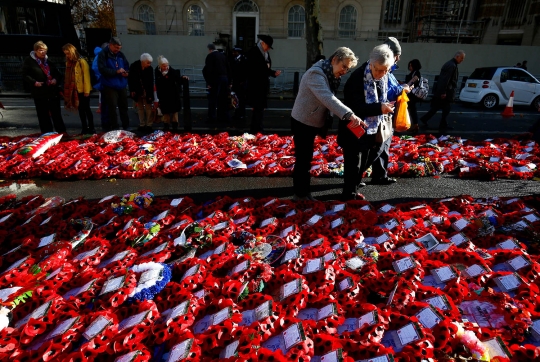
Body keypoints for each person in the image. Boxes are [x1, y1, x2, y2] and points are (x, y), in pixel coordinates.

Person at [291, 47, 365, 201]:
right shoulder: (316, 74)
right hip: (302, 121)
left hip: (310, 121)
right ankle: (300, 195)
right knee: (303, 160)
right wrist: (350, 115)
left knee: (306, 159)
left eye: (347, 69)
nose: (344, 71)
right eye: (343, 66)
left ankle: (304, 194)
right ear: (334, 60)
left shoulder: (329, 73)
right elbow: (327, 98)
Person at [338, 44, 395, 200]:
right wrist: (379, 108)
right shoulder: (357, 78)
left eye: (385, 70)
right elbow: (355, 107)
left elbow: (383, 97)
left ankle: (353, 189)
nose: (381, 74)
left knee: (364, 162)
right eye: (378, 69)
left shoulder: (383, 77)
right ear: (371, 63)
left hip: (372, 129)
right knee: (353, 164)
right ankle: (349, 195)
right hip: (354, 129)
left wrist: (385, 106)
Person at [369, 37, 411, 185]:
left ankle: (379, 174)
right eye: (396, 55)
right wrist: (402, 88)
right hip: (379, 113)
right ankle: (360, 175)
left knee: (383, 146)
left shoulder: (387, 69)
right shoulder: (382, 68)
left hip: (384, 112)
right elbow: (389, 92)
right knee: (378, 147)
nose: (398, 58)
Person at [22, 41, 66, 134]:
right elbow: (25, 75)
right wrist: (34, 82)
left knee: (56, 113)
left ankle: (61, 132)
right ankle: (47, 133)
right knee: (43, 114)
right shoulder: (29, 61)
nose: (43, 52)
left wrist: (55, 79)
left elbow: (58, 74)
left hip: (52, 91)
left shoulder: (48, 61)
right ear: (35, 51)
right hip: (39, 92)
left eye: (45, 50)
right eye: (41, 50)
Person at [420, 50, 465, 131]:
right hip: (446, 92)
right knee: (446, 109)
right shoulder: (452, 65)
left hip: (443, 91)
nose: (462, 60)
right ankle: (441, 124)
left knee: (437, 108)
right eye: (461, 58)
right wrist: (444, 92)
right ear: (457, 56)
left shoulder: (450, 64)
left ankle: (426, 119)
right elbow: (446, 79)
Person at [245, 34, 282, 133]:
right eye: (268, 46)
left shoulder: (265, 54)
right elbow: (257, 69)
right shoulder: (253, 52)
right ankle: (256, 129)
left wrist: (273, 73)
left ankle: (257, 128)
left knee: (260, 109)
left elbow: (266, 68)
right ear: (263, 43)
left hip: (262, 85)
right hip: (256, 85)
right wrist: (270, 72)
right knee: (257, 109)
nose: (269, 49)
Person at [98, 37, 130, 130]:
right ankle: (115, 127)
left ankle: (126, 126)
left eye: (119, 48)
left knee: (124, 107)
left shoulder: (120, 55)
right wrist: (116, 72)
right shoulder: (103, 54)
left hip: (122, 84)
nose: (118, 50)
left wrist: (127, 73)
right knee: (112, 108)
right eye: (116, 47)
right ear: (110, 45)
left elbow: (127, 66)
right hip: (110, 85)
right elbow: (102, 69)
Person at [62, 43, 94, 135]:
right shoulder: (69, 62)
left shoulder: (81, 61)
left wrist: (87, 91)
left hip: (83, 90)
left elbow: (86, 77)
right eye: (65, 54)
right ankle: (84, 128)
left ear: (72, 52)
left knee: (87, 109)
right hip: (75, 90)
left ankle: (91, 128)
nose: (67, 55)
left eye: (68, 53)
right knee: (81, 110)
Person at [154, 55, 188, 132]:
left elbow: (178, 80)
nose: (165, 68)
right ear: (160, 65)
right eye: (163, 66)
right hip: (164, 94)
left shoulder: (171, 72)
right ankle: (167, 124)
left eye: (166, 66)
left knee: (174, 111)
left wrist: (183, 78)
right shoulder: (158, 72)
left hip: (173, 94)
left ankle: (174, 124)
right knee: (166, 111)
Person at [202, 43, 231, 124]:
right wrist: (229, 81)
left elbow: (208, 70)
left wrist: (209, 82)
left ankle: (212, 117)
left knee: (213, 99)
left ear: (210, 49)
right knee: (223, 99)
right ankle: (223, 116)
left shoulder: (210, 56)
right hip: (224, 78)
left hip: (215, 79)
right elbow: (228, 68)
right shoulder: (223, 56)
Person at [128, 53, 155, 133]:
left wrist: (150, 93)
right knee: (140, 108)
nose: (149, 64)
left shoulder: (149, 69)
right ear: (142, 61)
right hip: (137, 90)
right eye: (148, 62)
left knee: (148, 108)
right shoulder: (134, 66)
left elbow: (150, 82)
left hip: (146, 90)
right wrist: (132, 90)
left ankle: (149, 124)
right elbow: (131, 79)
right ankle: (142, 124)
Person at [92, 43, 110, 131]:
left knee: (107, 105)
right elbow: (98, 70)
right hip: (104, 83)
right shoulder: (100, 57)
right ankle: (106, 126)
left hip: (104, 83)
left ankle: (106, 125)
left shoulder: (99, 56)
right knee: (106, 106)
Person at [405, 59, 422, 133]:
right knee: (412, 110)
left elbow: (412, 82)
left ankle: (414, 125)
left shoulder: (416, 73)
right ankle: (414, 125)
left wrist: (405, 85)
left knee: (412, 110)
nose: (410, 67)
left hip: (412, 94)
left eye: (411, 65)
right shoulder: (414, 73)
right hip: (412, 94)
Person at [230, 46, 247, 121]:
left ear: (238, 52)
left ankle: (241, 114)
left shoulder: (243, 60)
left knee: (241, 99)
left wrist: (243, 81)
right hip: (236, 83)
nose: (233, 53)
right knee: (235, 99)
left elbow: (244, 72)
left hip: (241, 83)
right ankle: (237, 113)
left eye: (234, 52)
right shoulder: (234, 60)